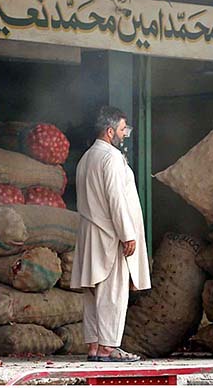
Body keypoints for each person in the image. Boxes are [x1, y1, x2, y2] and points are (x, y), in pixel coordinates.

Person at [71, 106, 151, 362]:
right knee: (113, 292)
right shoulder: (112, 158)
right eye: (121, 129)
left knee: (93, 293)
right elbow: (116, 199)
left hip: (90, 232)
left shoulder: (86, 158)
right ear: (109, 131)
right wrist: (127, 234)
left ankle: (94, 346)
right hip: (109, 234)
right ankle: (108, 347)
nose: (125, 134)